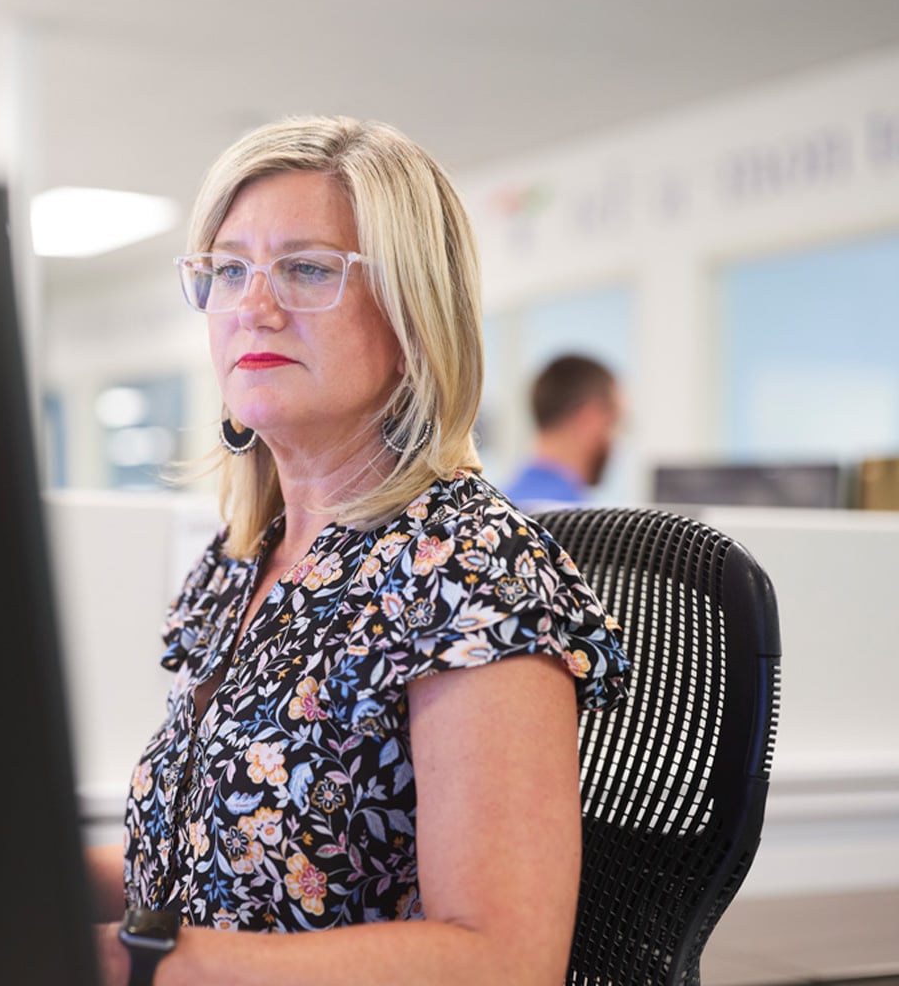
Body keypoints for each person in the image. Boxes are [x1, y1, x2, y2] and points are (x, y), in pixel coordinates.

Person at [88, 116, 630, 986]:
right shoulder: (236, 563)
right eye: (229, 269)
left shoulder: (472, 567)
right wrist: (33, 877)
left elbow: (504, 960)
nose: (254, 306)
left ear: (415, 309)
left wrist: (138, 960)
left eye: (307, 269)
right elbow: (232, 875)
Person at [501, 355, 622, 511]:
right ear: (590, 419)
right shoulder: (585, 524)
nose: (616, 439)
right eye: (614, 424)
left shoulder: (490, 510)